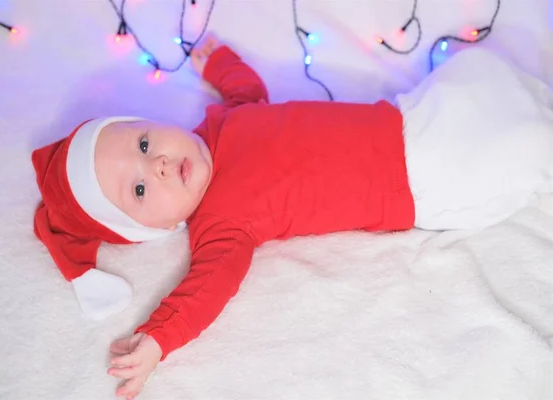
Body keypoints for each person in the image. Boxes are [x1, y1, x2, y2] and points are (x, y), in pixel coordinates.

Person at [31, 35, 553, 399]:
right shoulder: (221, 224)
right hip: (418, 180)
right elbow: (204, 293)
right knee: (521, 145)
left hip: (405, 117)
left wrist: (218, 62)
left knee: (484, 80)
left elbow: (246, 93)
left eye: (144, 142)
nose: (160, 163)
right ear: (157, 229)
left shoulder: (219, 122)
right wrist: (157, 340)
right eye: (141, 188)